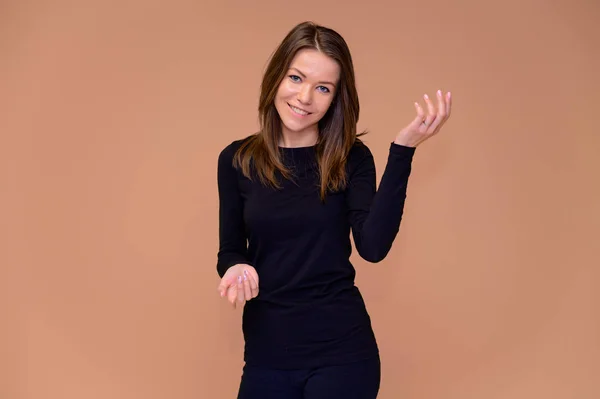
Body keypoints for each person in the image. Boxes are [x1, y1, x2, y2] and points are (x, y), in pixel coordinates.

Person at [215, 21, 452, 399]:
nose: (305, 97)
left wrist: (403, 150)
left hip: (342, 354)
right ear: (277, 77)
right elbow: (230, 249)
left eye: (322, 88)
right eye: (296, 78)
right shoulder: (237, 160)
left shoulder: (351, 158)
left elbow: (373, 248)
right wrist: (236, 267)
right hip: (266, 355)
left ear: (335, 98)